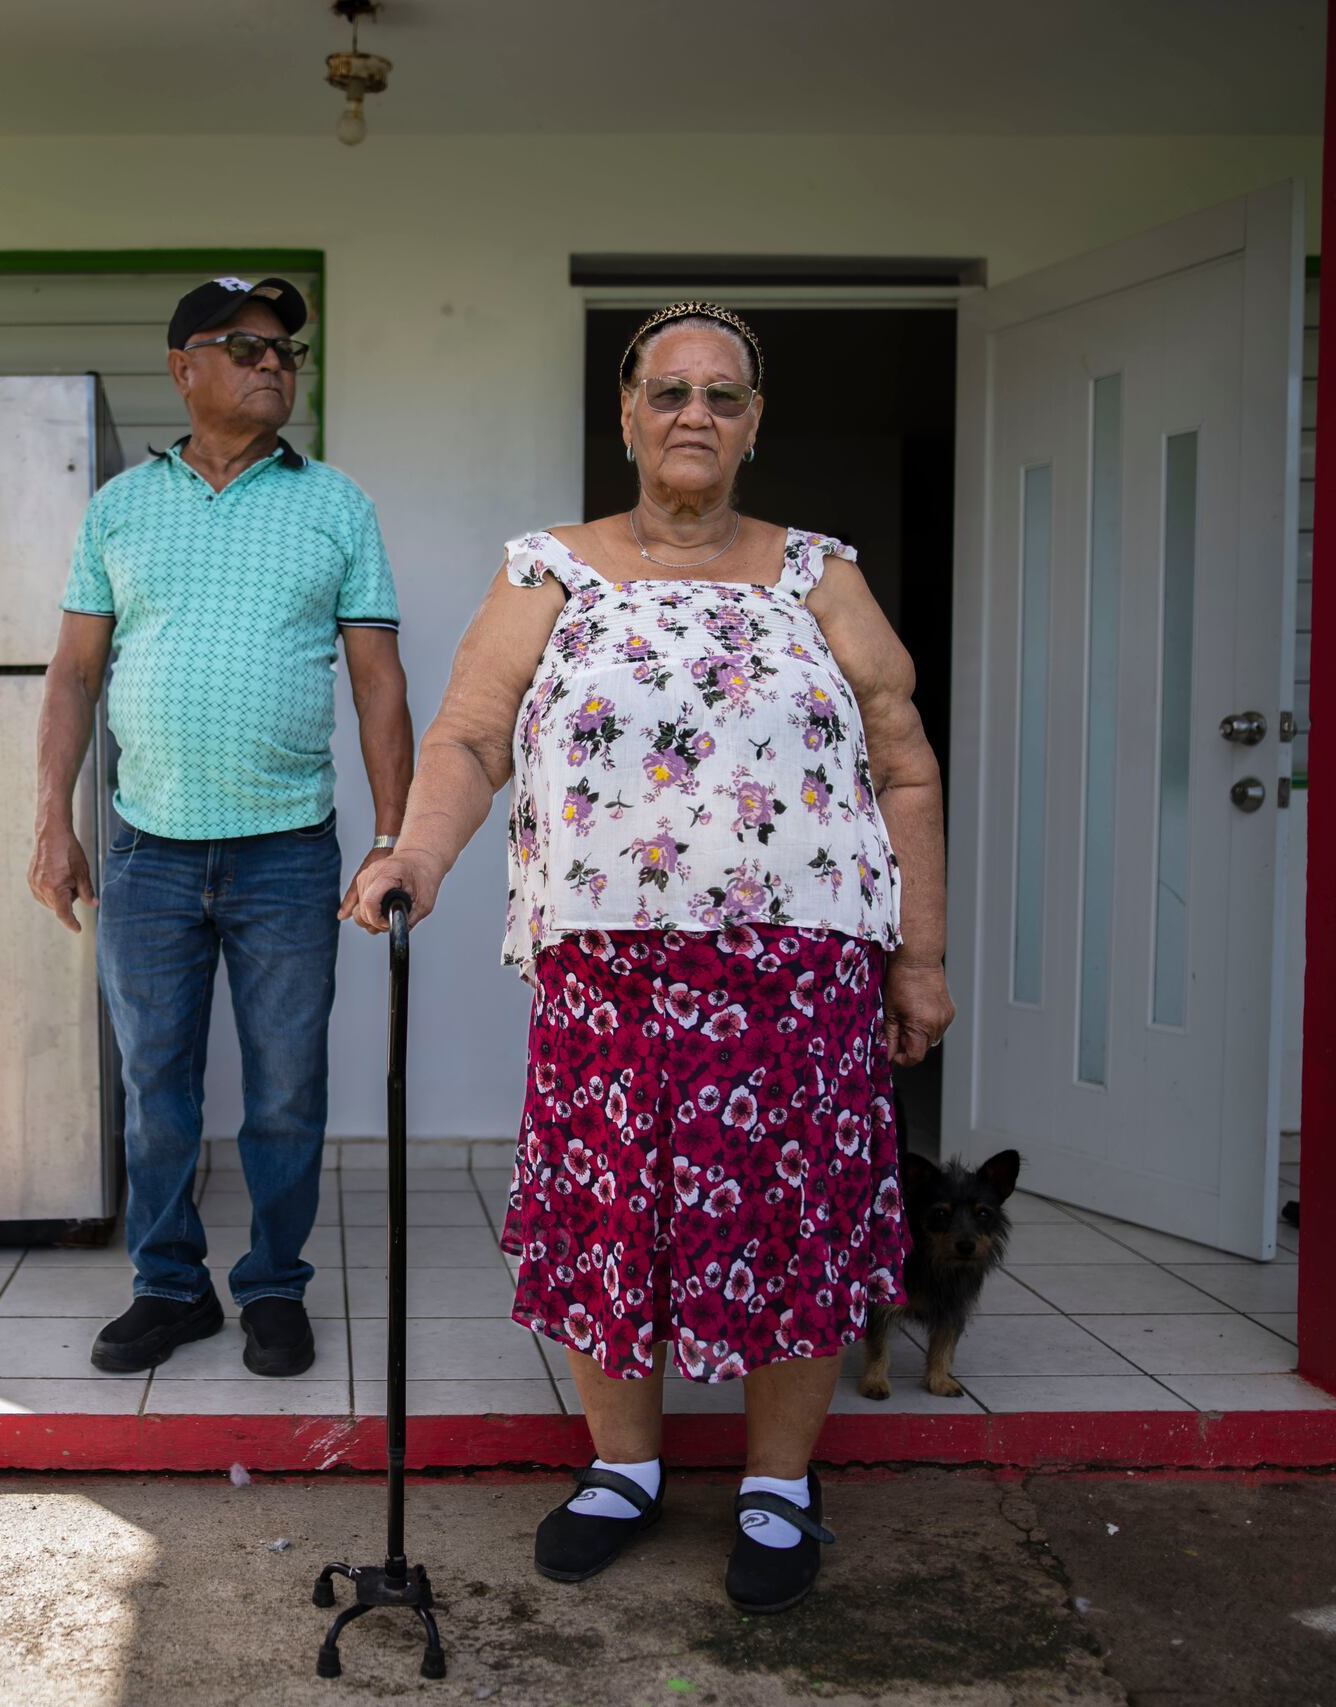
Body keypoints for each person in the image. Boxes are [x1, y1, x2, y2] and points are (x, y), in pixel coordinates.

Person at [346, 303, 953, 1611]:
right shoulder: (550, 570)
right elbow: (465, 736)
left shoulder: (818, 571)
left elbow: (902, 757)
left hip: (798, 973)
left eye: (723, 396)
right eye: (669, 390)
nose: (696, 414)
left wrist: (923, 952)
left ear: (753, 423)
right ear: (626, 414)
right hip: (610, 973)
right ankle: (623, 1464)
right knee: (615, 1208)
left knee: (790, 1218)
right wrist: (417, 854)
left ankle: (777, 1483)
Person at [30, 276, 413, 1380]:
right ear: (182, 367)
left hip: (289, 851)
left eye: (287, 351)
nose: (271, 364)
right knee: (157, 1091)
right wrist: (51, 826)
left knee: (288, 1089)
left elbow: (378, 685)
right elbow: (72, 674)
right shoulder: (118, 506)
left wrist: (394, 839)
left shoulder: (336, 504)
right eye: (243, 346)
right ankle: (168, 1286)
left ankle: (274, 1286)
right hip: (146, 848)